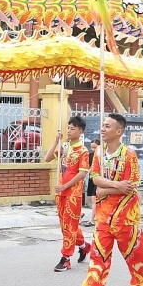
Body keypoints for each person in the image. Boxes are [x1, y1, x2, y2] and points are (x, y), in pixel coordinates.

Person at [66, 113, 143, 286]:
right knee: (98, 254)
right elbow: (95, 179)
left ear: (119, 131)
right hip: (103, 215)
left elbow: (130, 186)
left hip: (126, 215)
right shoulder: (99, 154)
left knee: (134, 254)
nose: (102, 129)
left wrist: (105, 189)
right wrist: (112, 187)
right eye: (103, 125)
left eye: (107, 126)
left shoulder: (129, 154)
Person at [45, 116, 90, 271]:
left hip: (73, 193)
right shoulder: (64, 147)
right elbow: (47, 158)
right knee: (66, 226)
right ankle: (84, 246)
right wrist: (56, 141)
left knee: (70, 226)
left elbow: (82, 173)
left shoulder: (83, 151)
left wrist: (65, 186)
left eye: (73, 128)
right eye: (68, 128)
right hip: (61, 192)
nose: (69, 131)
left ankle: (66, 258)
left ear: (80, 131)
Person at [81, 139, 101, 227]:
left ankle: (92, 219)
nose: (93, 149)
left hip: (99, 179)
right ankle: (94, 218)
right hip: (92, 178)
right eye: (92, 147)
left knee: (94, 199)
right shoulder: (91, 155)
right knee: (93, 199)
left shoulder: (101, 156)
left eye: (95, 147)